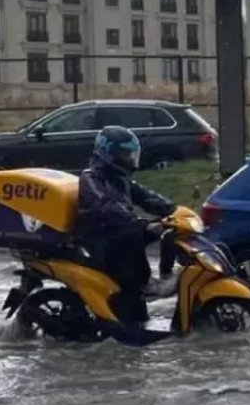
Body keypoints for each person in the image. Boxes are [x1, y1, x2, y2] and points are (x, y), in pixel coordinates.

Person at [73, 125, 178, 328]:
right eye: (125, 155)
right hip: (101, 239)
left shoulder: (120, 178)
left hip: (120, 233)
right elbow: (105, 205)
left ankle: (166, 273)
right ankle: (145, 282)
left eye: (131, 155)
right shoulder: (91, 178)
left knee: (169, 229)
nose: (130, 159)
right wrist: (141, 225)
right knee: (135, 232)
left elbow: (146, 196)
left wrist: (173, 209)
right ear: (108, 153)